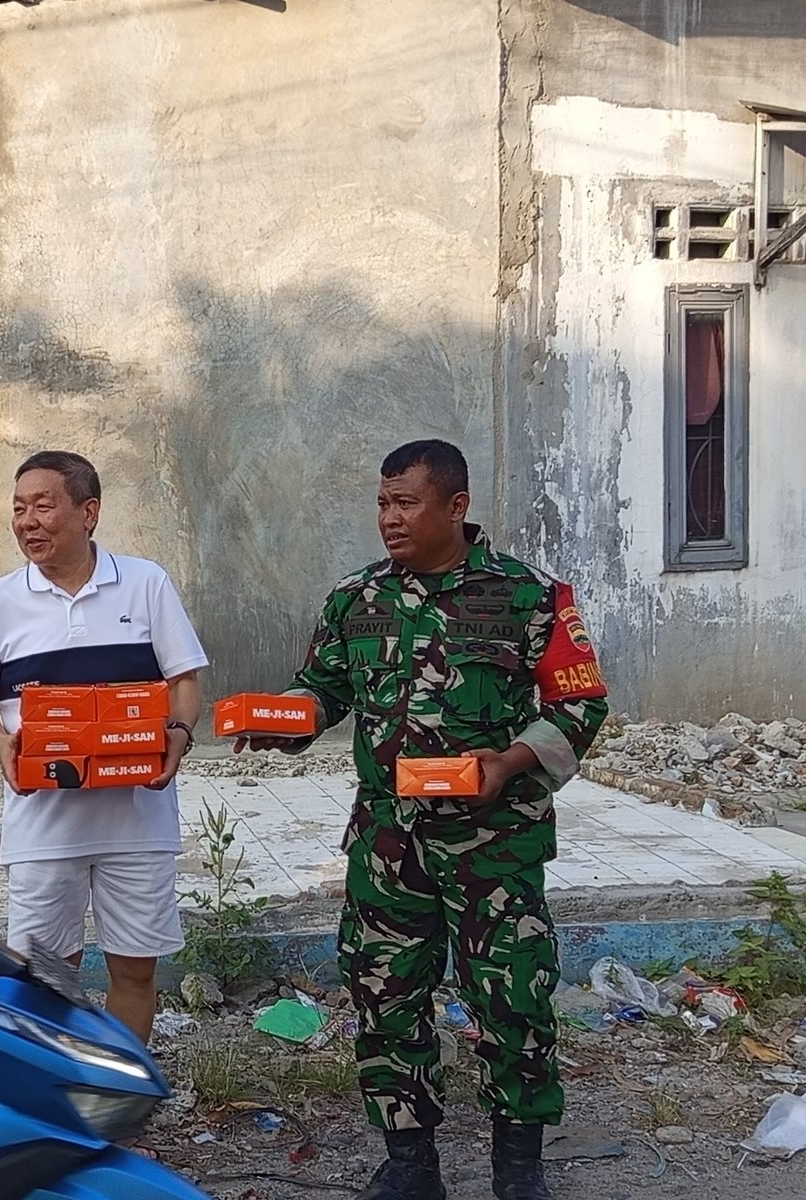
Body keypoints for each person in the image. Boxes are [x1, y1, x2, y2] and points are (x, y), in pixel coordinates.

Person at [236, 440, 609, 1200]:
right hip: (388, 844)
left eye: (406, 502)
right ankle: (409, 1165)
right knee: (385, 997)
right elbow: (323, 690)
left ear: (456, 506)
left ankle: (519, 1168)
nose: (390, 518)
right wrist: (285, 721)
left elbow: (579, 704)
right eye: (382, 503)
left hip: (493, 844)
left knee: (513, 997)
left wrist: (510, 761)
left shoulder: (529, 596)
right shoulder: (356, 598)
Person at [0, 450, 209, 1044]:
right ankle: (62, 1093)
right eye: (18, 509)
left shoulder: (145, 584)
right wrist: (3, 745)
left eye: (43, 506)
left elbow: (184, 680)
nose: (27, 522)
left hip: (138, 822)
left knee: (136, 973)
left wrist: (177, 735)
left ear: (89, 512)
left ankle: (120, 1090)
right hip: (43, 827)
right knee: (48, 980)